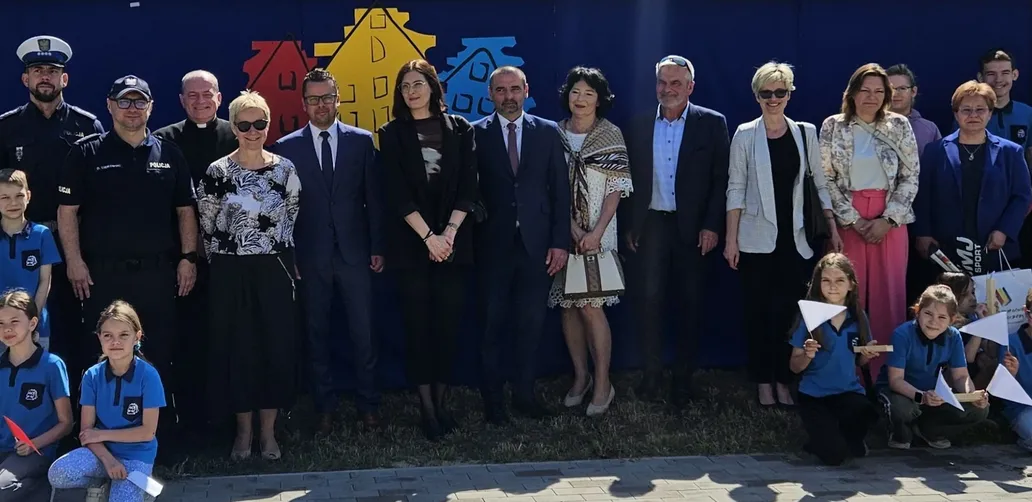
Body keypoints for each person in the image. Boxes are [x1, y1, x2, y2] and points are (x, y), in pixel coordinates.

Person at [55, 75, 197, 453]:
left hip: (157, 274)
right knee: (104, 358)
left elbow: (186, 211)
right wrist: (74, 261)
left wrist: (188, 258)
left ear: (151, 107)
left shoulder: (169, 153)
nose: (132, 109)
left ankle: (158, 442)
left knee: (158, 355)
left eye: (139, 102)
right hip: (103, 275)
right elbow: (67, 212)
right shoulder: (86, 152)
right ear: (110, 106)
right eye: (124, 101)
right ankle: (101, 443)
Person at [271, 68, 384, 432]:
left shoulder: (361, 142)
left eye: (327, 98)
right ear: (304, 104)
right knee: (316, 334)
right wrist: (290, 255)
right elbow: (283, 211)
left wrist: (378, 246)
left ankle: (368, 405)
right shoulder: (286, 147)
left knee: (364, 334)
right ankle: (325, 407)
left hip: (355, 254)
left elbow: (374, 199)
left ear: (338, 100)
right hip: (310, 257)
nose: (321, 105)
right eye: (314, 99)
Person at [725, 61, 840, 407]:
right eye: (766, 93)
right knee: (758, 313)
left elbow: (820, 184)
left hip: (796, 241)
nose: (773, 99)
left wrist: (832, 229)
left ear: (790, 94)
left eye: (780, 92)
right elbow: (735, 188)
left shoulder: (805, 132)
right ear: (757, 96)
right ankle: (763, 380)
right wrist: (731, 239)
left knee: (790, 314)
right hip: (755, 241)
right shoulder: (745, 134)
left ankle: (784, 378)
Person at [377, 60, 480, 439]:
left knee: (448, 327)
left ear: (434, 87)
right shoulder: (391, 134)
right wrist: (428, 239)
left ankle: (443, 402)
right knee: (417, 328)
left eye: (418, 84)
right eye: (405, 86)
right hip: (412, 246)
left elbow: (469, 187)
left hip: (454, 244)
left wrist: (447, 234)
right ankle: (427, 410)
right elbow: (396, 193)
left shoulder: (462, 129)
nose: (411, 92)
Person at [197, 91, 299, 460]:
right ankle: (243, 433)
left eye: (260, 123)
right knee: (236, 349)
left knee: (275, 347)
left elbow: (291, 216)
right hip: (230, 269)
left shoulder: (285, 169)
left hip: (273, 267)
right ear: (235, 128)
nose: (253, 131)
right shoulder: (218, 172)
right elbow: (206, 223)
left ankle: (268, 433)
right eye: (244, 124)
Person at [0, 35, 104, 395]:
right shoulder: (6, 127)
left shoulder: (87, 125)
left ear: (65, 79)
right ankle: (26, 410)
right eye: (37, 70)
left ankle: (77, 410)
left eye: (52, 70)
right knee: (23, 326)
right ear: (25, 79)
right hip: (22, 248)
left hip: (77, 245)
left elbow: (101, 190)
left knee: (79, 328)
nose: (45, 76)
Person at [624, 55, 729, 407]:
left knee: (690, 304)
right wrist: (631, 225)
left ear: (690, 87)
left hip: (693, 229)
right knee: (648, 302)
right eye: (662, 82)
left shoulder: (711, 123)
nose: (667, 89)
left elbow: (721, 180)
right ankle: (652, 374)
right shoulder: (639, 124)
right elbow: (628, 180)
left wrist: (712, 225)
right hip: (652, 226)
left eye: (676, 83)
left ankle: (683, 379)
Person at [473, 65, 570, 423]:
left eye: (514, 89)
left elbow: (560, 191)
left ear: (526, 90)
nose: (508, 97)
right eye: (501, 90)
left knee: (530, 326)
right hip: (492, 248)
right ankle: (493, 401)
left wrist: (560, 243)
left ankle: (525, 396)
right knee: (491, 327)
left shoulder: (547, 132)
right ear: (490, 94)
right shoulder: (474, 134)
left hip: (537, 248)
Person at [819, 63, 919, 377]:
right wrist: (852, 219)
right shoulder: (833, 126)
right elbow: (824, 178)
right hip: (848, 220)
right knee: (845, 292)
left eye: (878, 91)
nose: (871, 97)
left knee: (889, 296)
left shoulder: (899, 125)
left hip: (890, 220)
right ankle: (845, 373)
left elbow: (911, 175)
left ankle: (888, 375)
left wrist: (888, 219)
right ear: (852, 93)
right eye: (865, 90)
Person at [153, 70, 238, 439]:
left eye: (207, 94)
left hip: (232, 259)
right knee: (187, 341)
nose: (200, 101)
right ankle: (190, 425)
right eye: (192, 95)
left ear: (219, 98)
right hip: (183, 260)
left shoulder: (239, 134)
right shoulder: (163, 141)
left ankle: (230, 422)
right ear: (181, 100)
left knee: (230, 339)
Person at [547, 66, 630, 417]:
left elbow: (617, 189)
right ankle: (580, 377)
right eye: (575, 92)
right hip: (563, 232)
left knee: (590, 305)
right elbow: (549, 188)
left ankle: (602, 383)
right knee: (569, 303)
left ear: (600, 99)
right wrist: (571, 230)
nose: (580, 99)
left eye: (588, 93)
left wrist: (594, 233)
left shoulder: (610, 134)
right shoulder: (553, 134)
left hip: (599, 233)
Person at [48, 300, 166, 502]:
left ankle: (139, 490)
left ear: (137, 337)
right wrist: (109, 460)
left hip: (136, 456)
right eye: (108, 335)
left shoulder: (148, 375)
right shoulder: (92, 375)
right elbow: (87, 432)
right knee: (58, 473)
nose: (115, 342)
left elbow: (147, 432)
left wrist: (101, 434)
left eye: (123, 335)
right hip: (101, 453)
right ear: (99, 338)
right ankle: (101, 483)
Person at [913, 80, 1032, 277]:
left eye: (980, 109)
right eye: (966, 110)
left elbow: (1022, 196)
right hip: (946, 248)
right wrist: (923, 233)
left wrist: (1004, 230)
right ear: (956, 113)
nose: (973, 115)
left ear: (990, 113)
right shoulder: (935, 151)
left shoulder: (1011, 152)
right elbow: (923, 195)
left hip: (994, 245)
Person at [788, 253, 880, 466]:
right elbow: (794, 367)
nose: (832, 286)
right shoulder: (808, 317)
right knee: (835, 457)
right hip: (814, 395)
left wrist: (866, 356)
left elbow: (858, 361)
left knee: (867, 412)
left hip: (847, 392)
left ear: (851, 284)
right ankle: (819, 442)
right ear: (818, 284)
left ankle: (850, 439)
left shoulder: (858, 317)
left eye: (839, 280)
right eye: (826, 280)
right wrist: (807, 355)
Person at [877, 285, 990, 450]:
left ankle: (930, 429)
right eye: (928, 314)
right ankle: (899, 431)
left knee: (979, 410)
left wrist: (971, 395)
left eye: (942, 317)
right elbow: (896, 380)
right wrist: (922, 396)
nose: (933, 322)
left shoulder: (954, 336)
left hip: (934, 395)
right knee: (901, 410)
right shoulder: (902, 334)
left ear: (952, 319)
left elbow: (960, 376)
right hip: (902, 393)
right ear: (918, 312)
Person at [0, 289, 73, 502]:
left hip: (36, 453)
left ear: (32, 323)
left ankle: (39, 487)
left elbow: (66, 423)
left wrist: (35, 443)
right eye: (1, 323)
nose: (7, 329)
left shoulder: (52, 365)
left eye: (14, 322)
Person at [0, 169, 61, 350]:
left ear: (28, 196)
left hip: (35, 326)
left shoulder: (41, 234)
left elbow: (45, 281)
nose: (13, 203)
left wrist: (31, 319)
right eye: (5, 197)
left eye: (19, 196)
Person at [936, 272, 993, 388]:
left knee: (988, 361)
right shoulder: (944, 323)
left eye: (973, 292)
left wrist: (990, 320)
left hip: (969, 378)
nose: (972, 298)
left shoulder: (971, 317)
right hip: (946, 381)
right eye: (965, 295)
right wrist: (981, 325)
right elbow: (967, 357)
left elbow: (991, 351)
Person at [1001, 292, 1032, 451]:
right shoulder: (1011, 343)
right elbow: (1001, 390)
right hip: (1023, 410)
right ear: (1027, 313)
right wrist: (1011, 375)